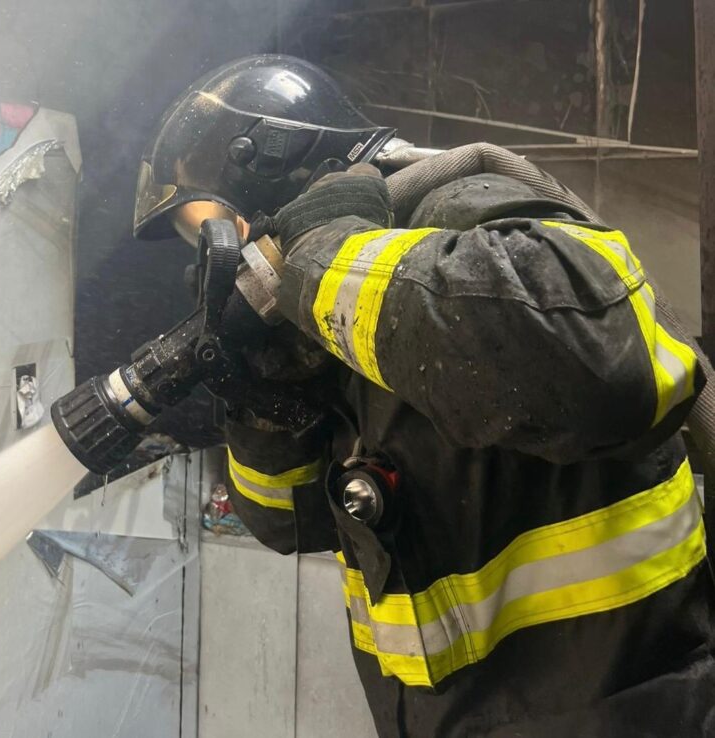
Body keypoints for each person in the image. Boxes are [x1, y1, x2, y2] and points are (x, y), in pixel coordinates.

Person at [135, 55, 715, 736]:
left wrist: (325, 256)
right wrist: (265, 397)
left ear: (276, 172)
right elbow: (289, 522)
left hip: (632, 712)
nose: (225, 256)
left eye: (218, 226)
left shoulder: (462, 211)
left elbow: (610, 366)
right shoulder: (333, 318)